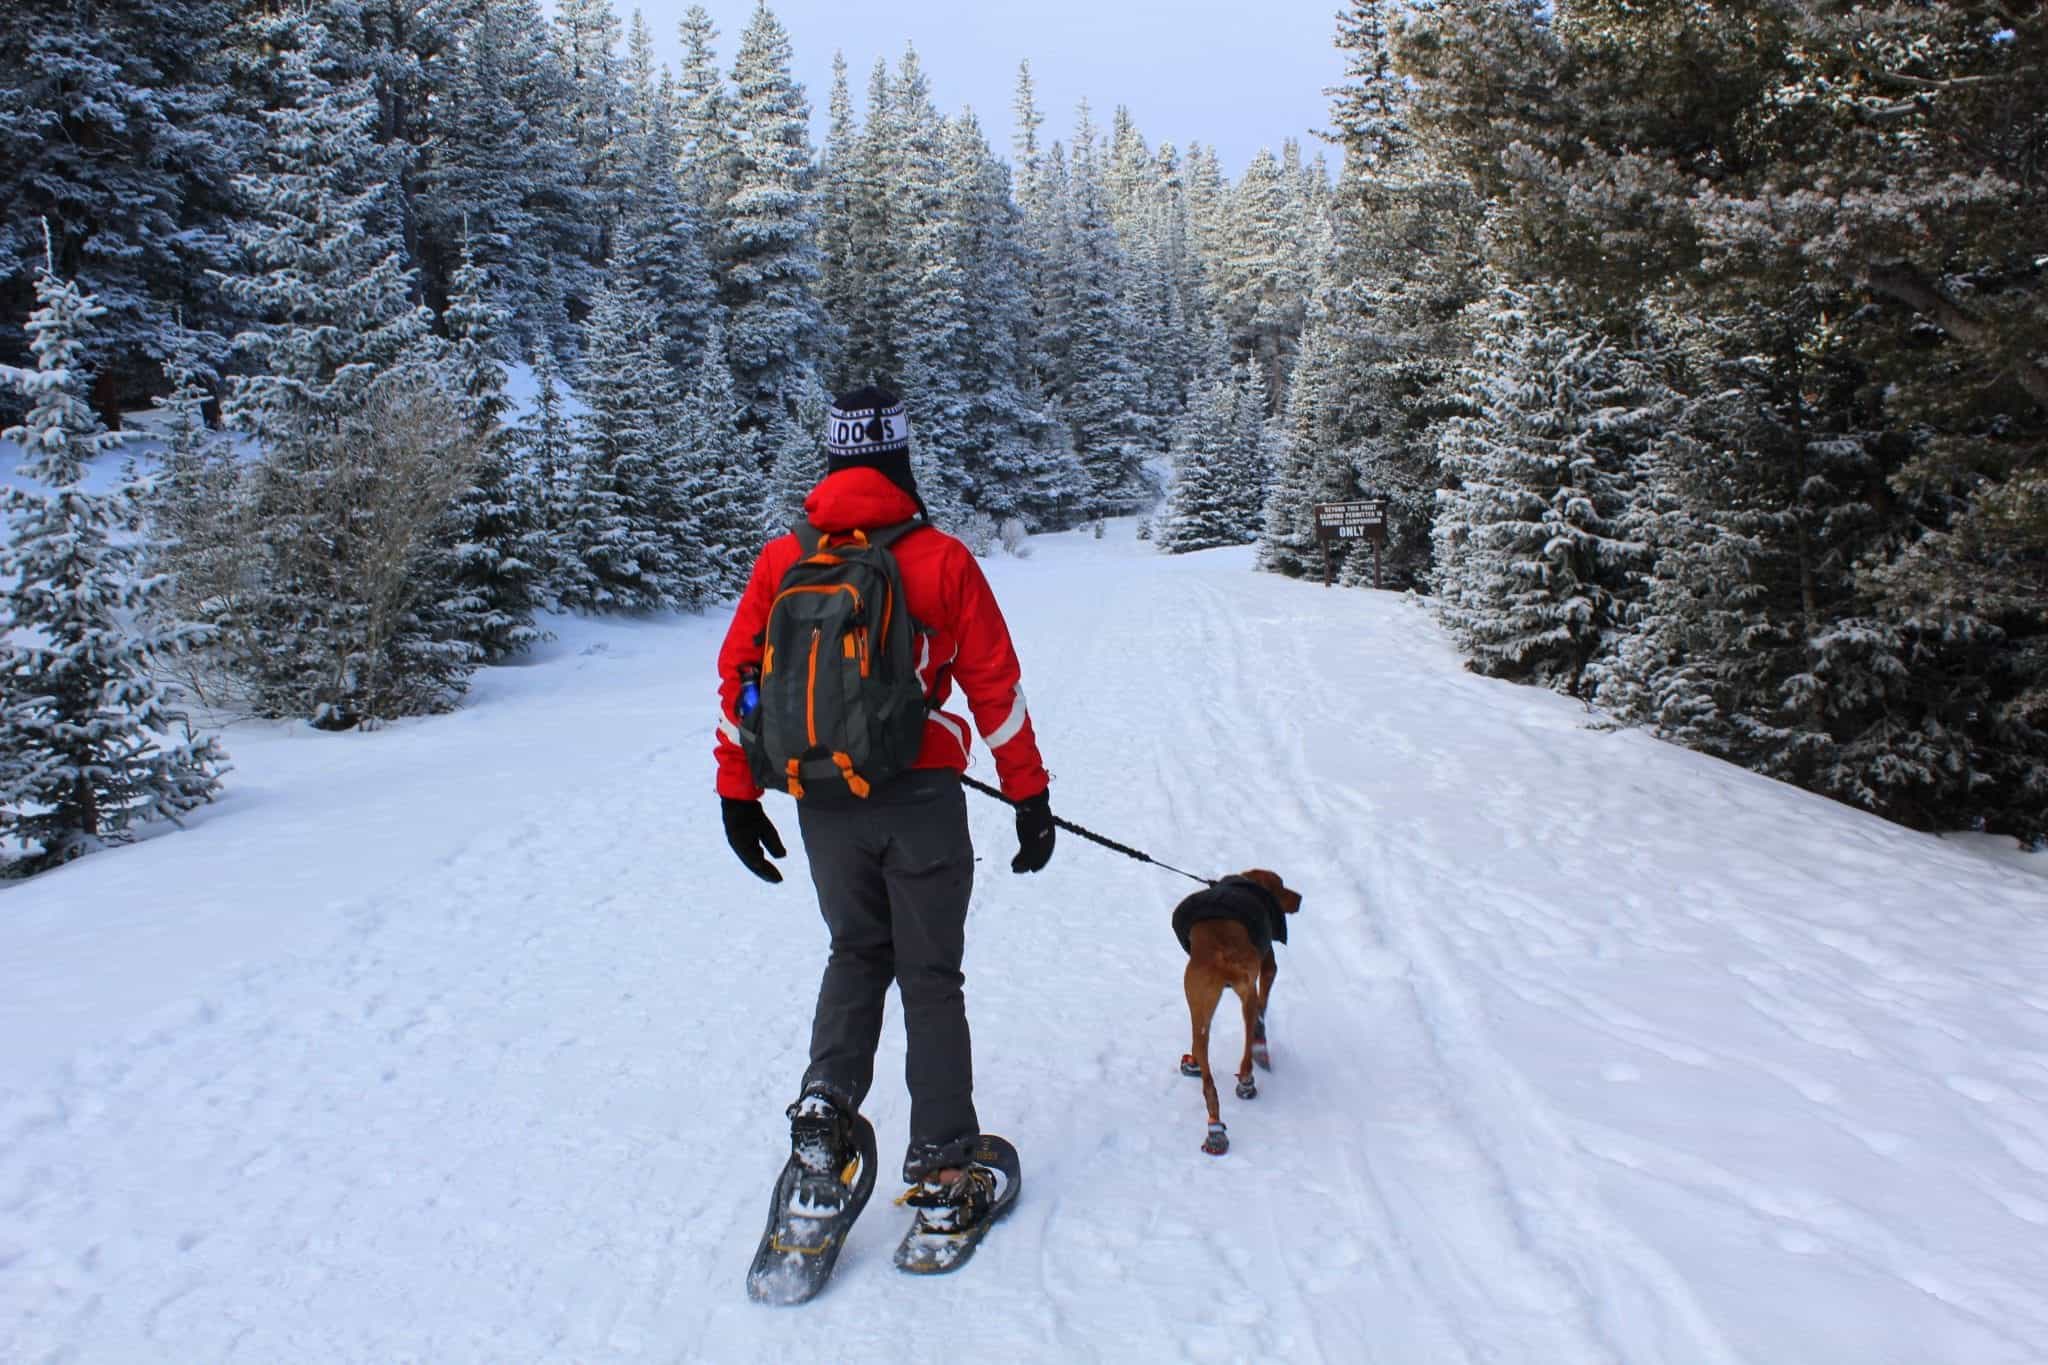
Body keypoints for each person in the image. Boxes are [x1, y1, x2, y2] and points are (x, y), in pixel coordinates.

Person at [713, 385, 1056, 1235]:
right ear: (901, 459)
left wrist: (737, 789)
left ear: (831, 459)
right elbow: (994, 690)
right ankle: (942, 1163)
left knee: (855, 951)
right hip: (924, 802)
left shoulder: (781, 558)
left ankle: (826, 1114)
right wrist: (1028, 793)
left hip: (823, 799)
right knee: (930, 977)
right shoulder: (939, 559)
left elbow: (740, 681)